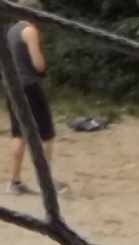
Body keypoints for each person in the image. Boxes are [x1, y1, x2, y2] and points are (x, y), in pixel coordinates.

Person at [6, 0, 64, 196]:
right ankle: (44, 181)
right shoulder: (30, 30)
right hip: (29, 86)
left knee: (19, 134)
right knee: (46, 133)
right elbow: (38, 64)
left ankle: (14, 182)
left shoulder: (11, 30)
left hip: (12, 86)